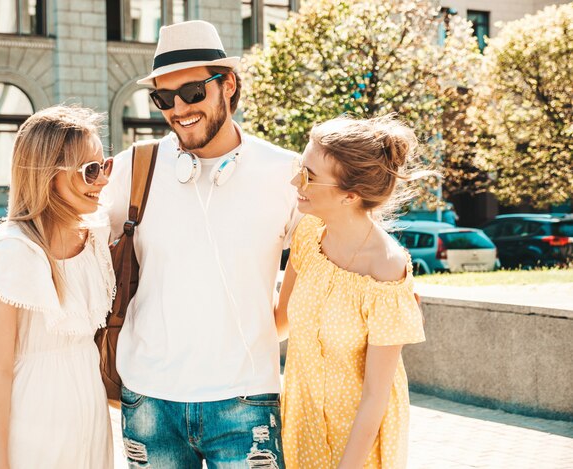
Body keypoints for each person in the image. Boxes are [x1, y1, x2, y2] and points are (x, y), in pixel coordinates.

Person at [102, 20, 298, 467]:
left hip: (246, 401)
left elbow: (326, 259)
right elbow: (77, 239)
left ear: (227, 84)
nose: (178, 109)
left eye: (192, 92)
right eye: (163, 99)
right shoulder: (135, 166)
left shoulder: (284, 172)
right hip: (149, 401)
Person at [0, 105, 115, 468]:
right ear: (48, 175)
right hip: (32, 426)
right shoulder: (14, 251)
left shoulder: (97, 238)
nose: (103, 181)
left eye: (103, 166)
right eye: (90, 171)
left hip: (90, 419)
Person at [276, 115, 427, 468]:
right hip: (301, 426)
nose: (295, 180)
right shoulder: (308, 235)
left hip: (358, 446)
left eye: (309, 176)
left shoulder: (387, 271)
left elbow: (377, 396)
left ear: (350, 195)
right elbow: (279, 324)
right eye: (301, 167)